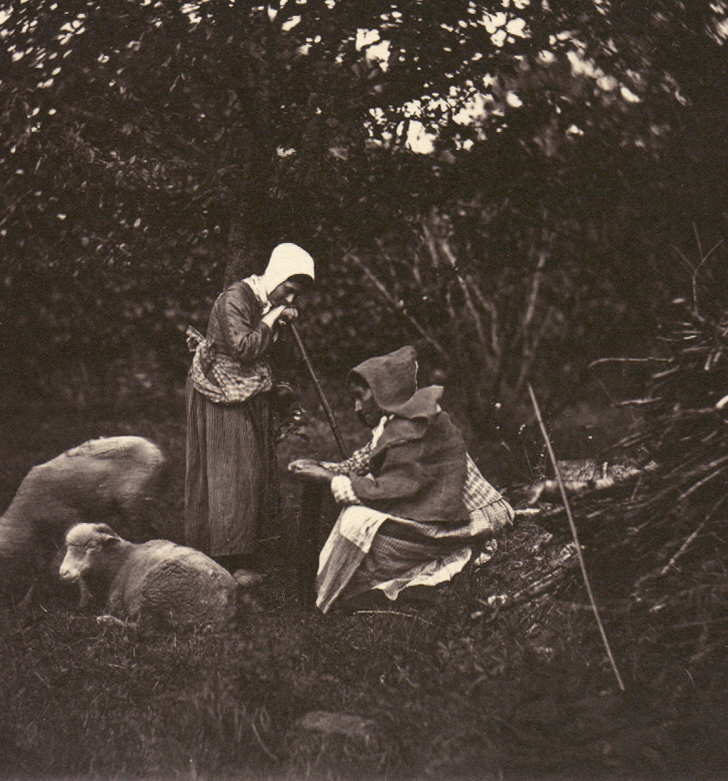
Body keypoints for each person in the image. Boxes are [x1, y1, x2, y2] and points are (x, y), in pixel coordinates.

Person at [289, 346, 513, 612]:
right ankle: (333, 587)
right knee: (360, 519)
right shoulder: (396, 423)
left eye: (361, 398)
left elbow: (394, 490)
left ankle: (337, 592)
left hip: (472, 518)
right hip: (438, 509)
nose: (357, 408)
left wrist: (328, 479)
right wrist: (320, 467)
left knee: (358, 521)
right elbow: (360, 462)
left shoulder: (417, 427)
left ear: (385, 395)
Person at [185, 242, 315, 577]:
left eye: (295, 295)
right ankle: (229, 560)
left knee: (249, 469)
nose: (290, 300)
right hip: (221, 391)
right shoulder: (235, 299)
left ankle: (244, 551)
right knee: (231, 472)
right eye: (288, 290)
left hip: (245, 389)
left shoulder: (262, 299)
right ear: (277, 276)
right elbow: (244, 348)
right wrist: (273, 318)